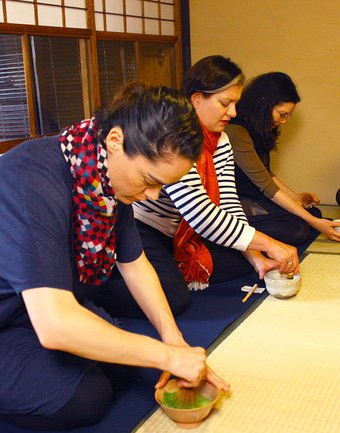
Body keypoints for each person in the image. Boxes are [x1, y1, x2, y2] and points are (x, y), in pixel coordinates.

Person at [0, 84, 230, 430]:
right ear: (116, 140)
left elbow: (134, 264)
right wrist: (169, 357)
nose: (152, 195)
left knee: (123, 363)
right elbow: (56, 327)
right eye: (149, 180)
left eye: (162, 186)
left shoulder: (101, 176)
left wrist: (173, 340)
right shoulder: (31, 183)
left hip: (17, 308)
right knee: (88, 397)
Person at [104, 55, 299, 313]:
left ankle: (170, 266)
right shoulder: (176, 138)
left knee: (254, 256)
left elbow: (228, 202)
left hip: (182, 234)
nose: (233, 112)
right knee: (174, 297)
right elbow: (200, 214)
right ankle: (89, 293)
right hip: (146, 228)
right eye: (225, 103)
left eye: (235, 104)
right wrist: (269, 245)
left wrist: (256, 257)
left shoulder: (221, 140)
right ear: (197, 99)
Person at [227, 72, 340, 244]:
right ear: (264, 103)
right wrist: (312, 221)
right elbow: (266, 186)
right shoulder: (236, 131)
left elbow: (266, 174)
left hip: (257, 196)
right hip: (240, 204)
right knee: (299, 228)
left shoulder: (258, 129)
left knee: (313, 214)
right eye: (282, 114)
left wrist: (297, 199)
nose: (283, 121)